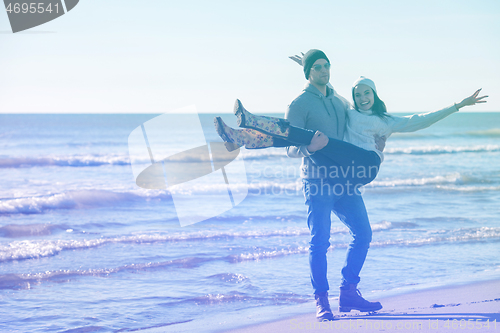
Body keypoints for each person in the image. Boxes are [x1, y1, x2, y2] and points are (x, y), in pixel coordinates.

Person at [213, 49, 487, 321]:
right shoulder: (317, 105)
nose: (324, 71)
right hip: (320, 182)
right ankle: (327, 300)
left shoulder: (360, 112)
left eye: (326, 67)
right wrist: (309, 147)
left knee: (360, 226)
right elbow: (293, 145)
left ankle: (348, 292)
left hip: (352, 175)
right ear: (310, 73)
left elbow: (417, 120)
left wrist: (457, 105)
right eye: (318, 67)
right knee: (325, 240)